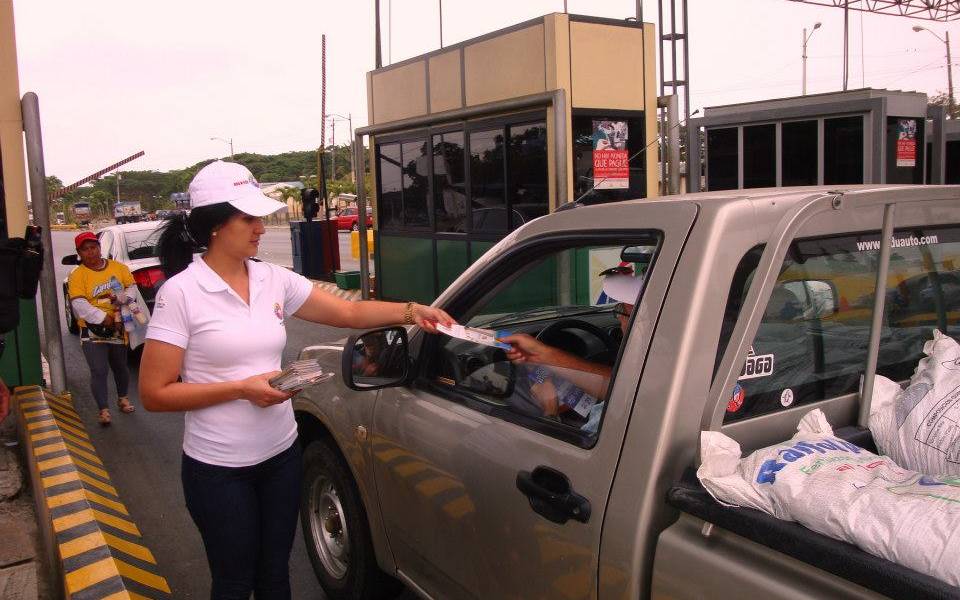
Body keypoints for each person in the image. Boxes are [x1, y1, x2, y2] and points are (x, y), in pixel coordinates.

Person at [138, 160, 454, 600]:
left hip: (281, 458)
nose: (260, 229)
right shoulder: (181, 293)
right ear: (214, 225)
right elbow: (154, 393)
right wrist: (241, 388)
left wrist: (411, 311)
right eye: (247, 218)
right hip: (219, 472)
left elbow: (346, 312)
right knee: (233, 583)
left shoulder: (272, 279)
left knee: (275, 577)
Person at [500, 265, 643, 433]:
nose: (619, 318)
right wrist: (541, 355)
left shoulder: (614, 419)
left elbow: (562, 455)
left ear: (642, 318)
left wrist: (550, 410)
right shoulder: (656, 370)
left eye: (622, 310)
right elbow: (620, 388)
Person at [67, 231, 136, 426]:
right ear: (79, 252)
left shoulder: (118, 268)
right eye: (85, 249)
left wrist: (121, 299)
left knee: (120, 366)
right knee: (98, 370)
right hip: (91, 329)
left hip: (118, 324)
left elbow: (131, 289)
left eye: (94, 247)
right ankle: (103, 410)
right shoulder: (77, 275)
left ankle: (122, 398)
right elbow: (79, 303)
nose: (91, 252)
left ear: (99, 247)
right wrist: (102, 317)